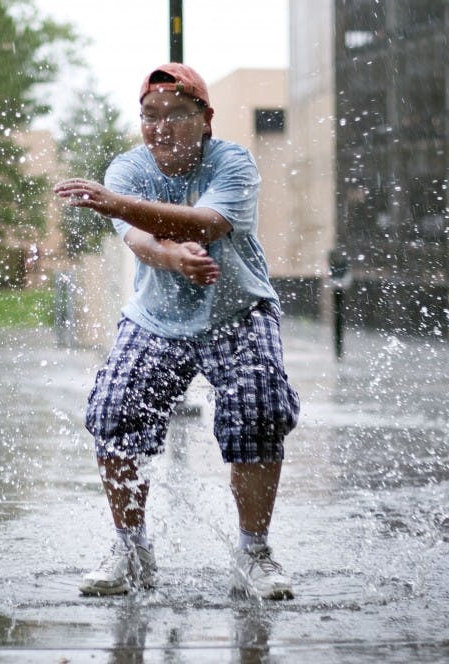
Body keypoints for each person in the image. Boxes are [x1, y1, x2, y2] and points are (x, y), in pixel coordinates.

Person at [53, 63, 300, 600]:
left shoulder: (231, 161)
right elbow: (138, 242)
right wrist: (173, 257)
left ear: (205, 119)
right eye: (149, 115)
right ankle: (131, 550)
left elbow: (210, 223)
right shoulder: (127, 169)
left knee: (257, 411)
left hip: (238, 311)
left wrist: (116, 206)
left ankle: (255, 553)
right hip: (156, 318)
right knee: (114, 411)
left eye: (176, 115)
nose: (160, 127)